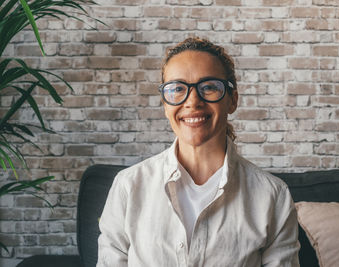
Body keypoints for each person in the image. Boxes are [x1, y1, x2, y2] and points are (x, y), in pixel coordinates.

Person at [97, 37, 300, 267]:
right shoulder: (128, 186)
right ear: (165, 105)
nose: (192, 101)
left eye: (209, 87)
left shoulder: (273, 197)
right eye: (177, 89)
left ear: (232, 100)